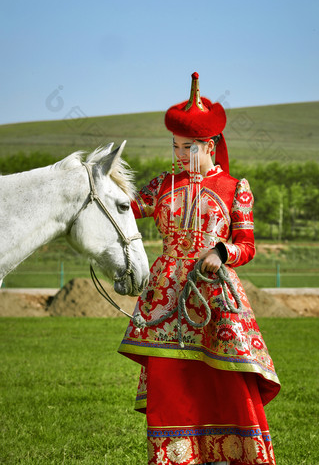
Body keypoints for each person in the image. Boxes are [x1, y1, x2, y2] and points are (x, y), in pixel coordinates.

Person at [118, 72, 280, 465]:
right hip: (165, 295)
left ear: (210, 145)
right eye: (175, 145)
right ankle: (176, 456)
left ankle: (230, 454)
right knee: (171, 380)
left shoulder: (234, 187)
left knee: (224, 378)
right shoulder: (161, 186)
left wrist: (221, 253)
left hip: (213, 293)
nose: (179, 154)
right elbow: (123, 211)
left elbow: (247, 245)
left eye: (188, 146)